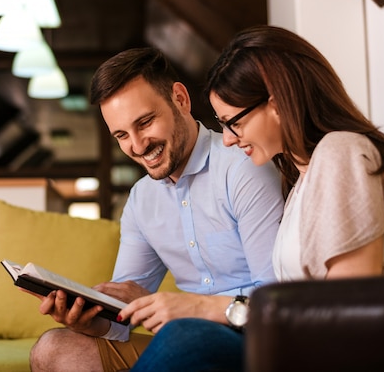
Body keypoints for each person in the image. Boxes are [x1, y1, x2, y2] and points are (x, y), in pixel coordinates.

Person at [128, 25, 384, 371]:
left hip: (374, 351)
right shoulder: (302, 180)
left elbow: (348, 316)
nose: (227, 139)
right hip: (307, 348)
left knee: (185, 338)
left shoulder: (341, 153)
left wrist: (208, 308)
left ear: (276, 102)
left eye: (233, 123)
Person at [29, 47, 286, 372]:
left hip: (256, 339)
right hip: (186, 342)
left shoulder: (244, 166)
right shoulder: (140, 201)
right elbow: (121, 316)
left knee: (181, 336)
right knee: (53, 350)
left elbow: (277, 298)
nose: (137, 146)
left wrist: (192, 308)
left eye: (145, 122)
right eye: (122, 135)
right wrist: (88, 319)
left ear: (180, 99)